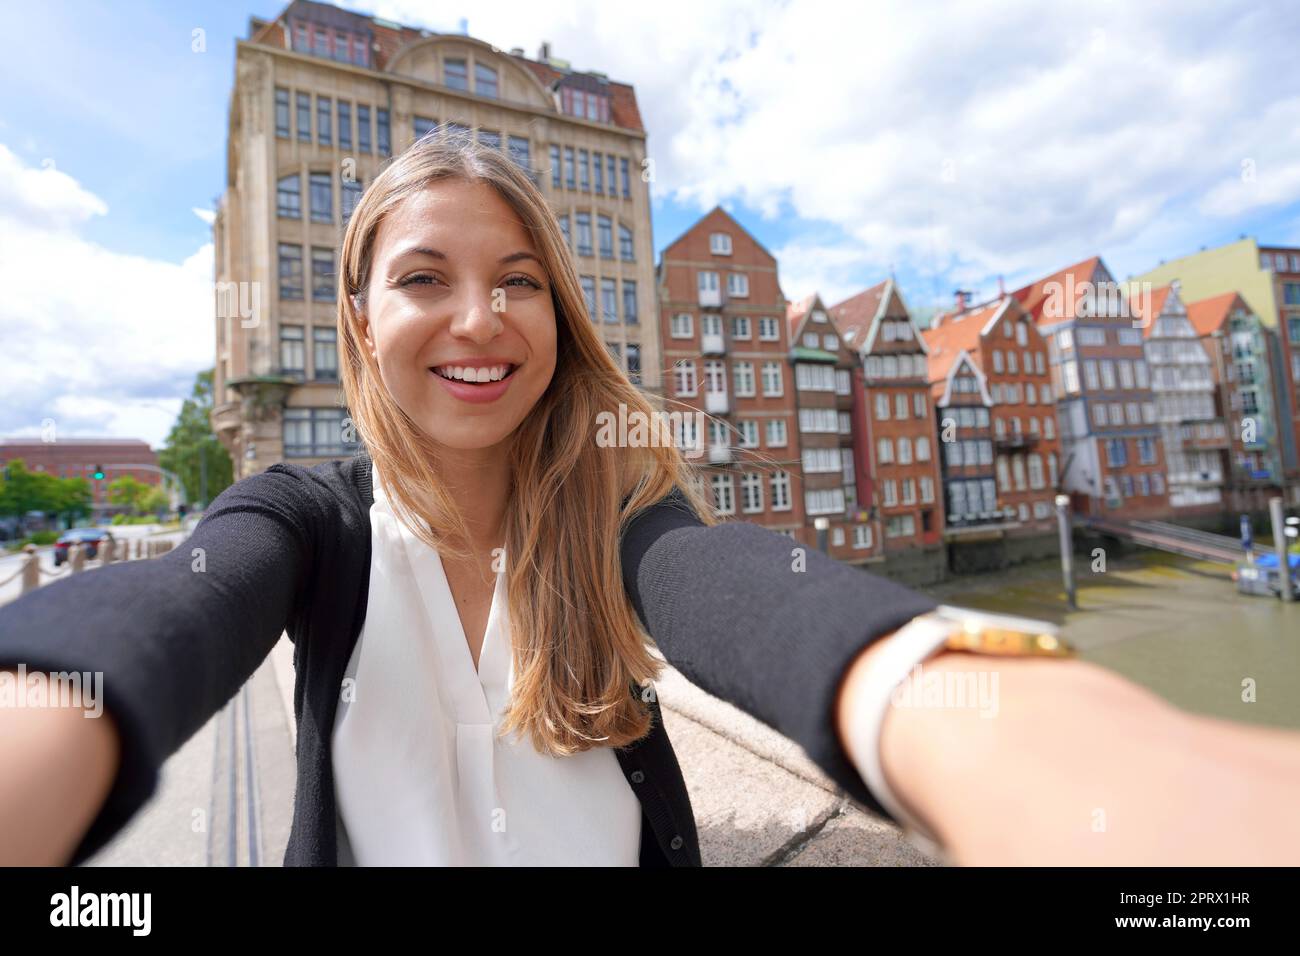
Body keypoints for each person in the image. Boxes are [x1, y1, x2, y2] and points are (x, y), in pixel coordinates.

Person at [1, 134, 1297, 866]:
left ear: (557, 313)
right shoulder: (308, 518)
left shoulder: (614, 510)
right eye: (424, 278)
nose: (480, 318)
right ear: (358, 315)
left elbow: (739, 593)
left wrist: (1020, 726)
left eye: (518, 280)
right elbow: (180, 603)